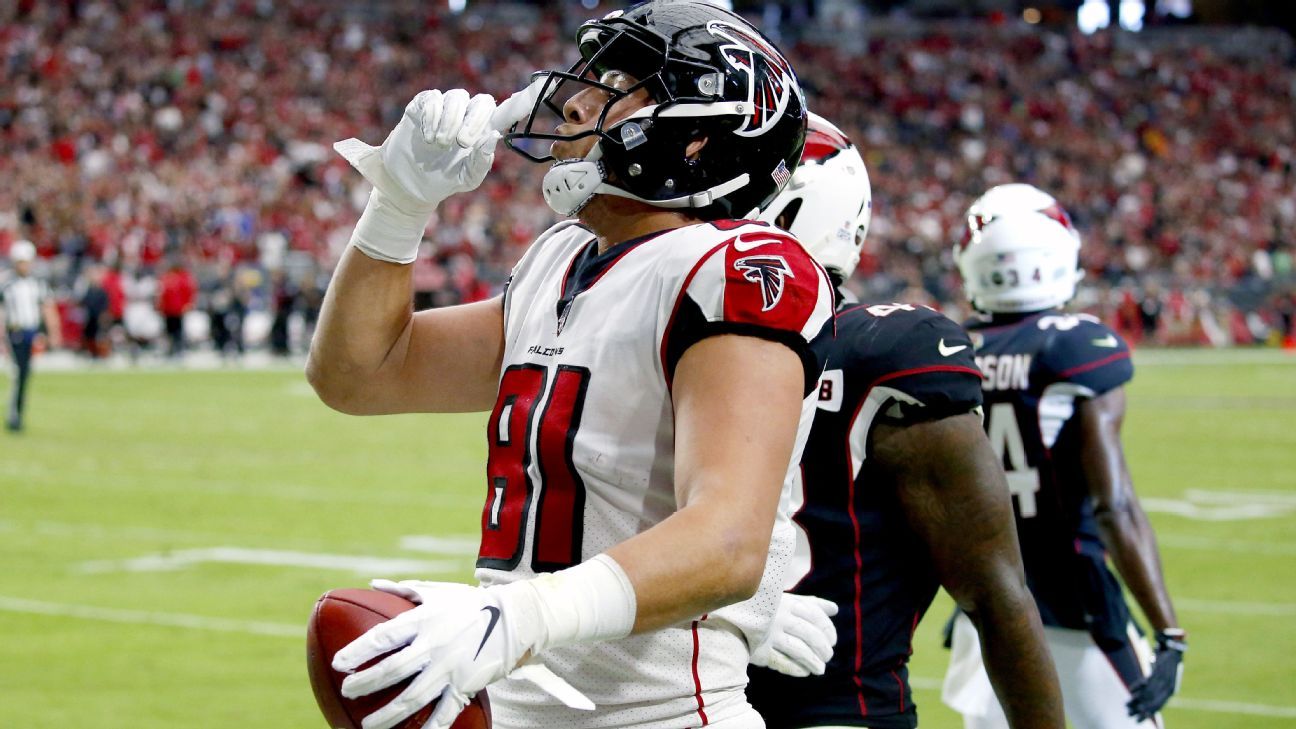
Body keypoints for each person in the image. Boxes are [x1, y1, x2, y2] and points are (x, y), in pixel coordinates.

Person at [307, 4, 834, 728]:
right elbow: (359, 372)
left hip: (665, 716)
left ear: (695, 137)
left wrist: (517, 613)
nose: (579, 98)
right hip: (516, 701)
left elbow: (728, 539)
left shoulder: (732, 265)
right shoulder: (561, 259)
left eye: (621, 82)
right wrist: (399, 206)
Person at [744, 117, 1063, 729]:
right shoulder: (879, 349)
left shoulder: (884, 352)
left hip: (828, 709)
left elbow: (994, 595)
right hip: (693, 698)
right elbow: (996, 595)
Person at [942, 184, 1185, 729]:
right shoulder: (1074, 345)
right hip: (1076, 599)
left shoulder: (950, 348)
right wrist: (1168, 631)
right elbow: (1113, 506)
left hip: (986, 596)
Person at [1, 240, 62, 433]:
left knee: (25, 375)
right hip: (14, 332)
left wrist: (54, 332)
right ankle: (14, 417)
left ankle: (17, 413)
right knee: (18, 374)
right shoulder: (7, 283)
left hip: (31, 332)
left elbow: (47, 308)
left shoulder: (38, 283)